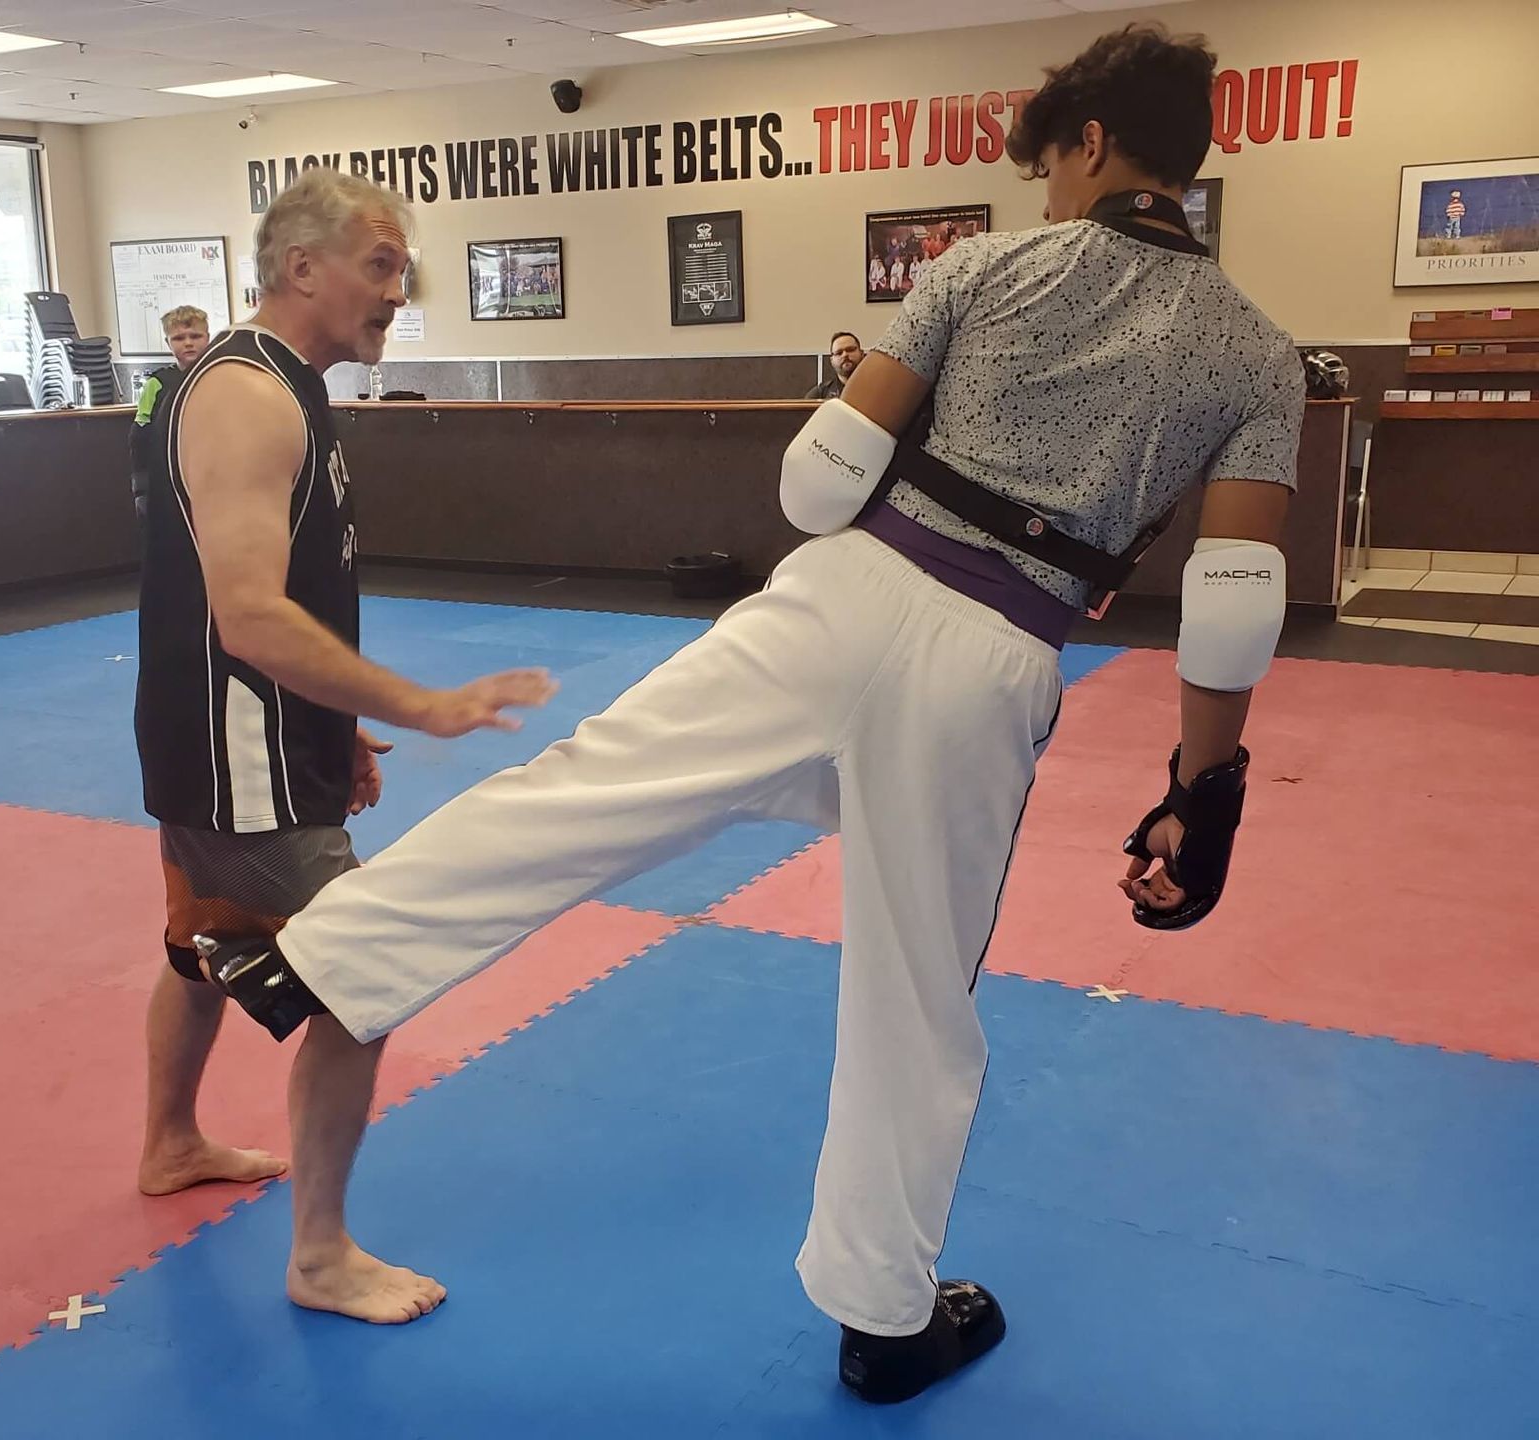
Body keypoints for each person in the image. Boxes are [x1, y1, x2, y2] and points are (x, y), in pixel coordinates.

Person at [188, 21, 1301, 1405]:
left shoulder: (980, 267)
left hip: (836, 600)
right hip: (991, 660)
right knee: (915, 994)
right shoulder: (1257, 354)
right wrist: (1206, 793)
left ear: (1087, 144)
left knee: (596, 782)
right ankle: (887, 1320)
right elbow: (1238, 597)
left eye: (1053, 170)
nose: (1052, 198)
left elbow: (817, 484)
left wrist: (868, 392)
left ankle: (322, 956)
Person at [131, 168, 555, 1325]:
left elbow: (253, 610)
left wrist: (336, 720)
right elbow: (249, 616)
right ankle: (320, 1256)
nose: (396, 288)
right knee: (362, 980)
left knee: (198, 946)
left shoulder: (279, 387)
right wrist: (423, 705)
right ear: (299, 268)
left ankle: (170, 1143)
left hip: (233, 741)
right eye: (379, 264)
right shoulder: (249, 396)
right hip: (238, 763)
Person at [128, 304, 211, 524]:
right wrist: (141, 488)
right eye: (178, 338)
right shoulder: (156, 384)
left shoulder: (218, 378)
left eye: (195, 336)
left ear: (208, 338)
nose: (188, 343)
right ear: (167, 342)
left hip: (210, 478)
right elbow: (139, 436)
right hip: (168, 480)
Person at [804, 331, 863, 400]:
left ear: (861, 354)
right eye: (839, 353)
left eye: (850, 350)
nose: (845, 355)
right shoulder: (819, 394)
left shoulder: (876, 388)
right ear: (832, 361)